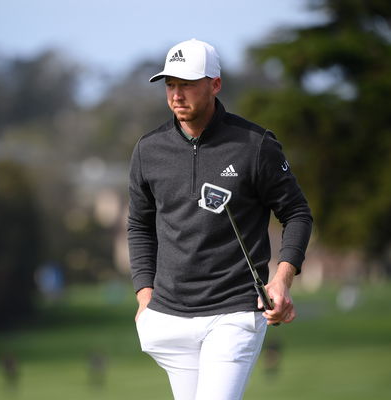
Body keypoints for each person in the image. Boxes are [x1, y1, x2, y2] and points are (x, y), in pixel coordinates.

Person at [127, 38, 313, 400]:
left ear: (215, 84)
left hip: (234, 312)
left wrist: (282, 280)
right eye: (170, 85)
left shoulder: (255, 145)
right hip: (168, 317)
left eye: (187, 84)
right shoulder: (148, 150)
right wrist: (144, 296)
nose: (176, 95)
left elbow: (297, 213)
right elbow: (139, 225)